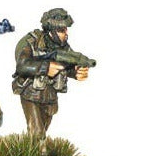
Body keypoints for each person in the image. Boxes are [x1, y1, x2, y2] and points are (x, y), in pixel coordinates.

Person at [11, 8, 90, 139]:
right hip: (31, 92)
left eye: (66, 29)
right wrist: (46, 67)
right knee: (37, 133)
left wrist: (76, 72)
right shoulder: (31, 42)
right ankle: (38, 151)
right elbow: (22, 65)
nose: (66, 33)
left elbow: (67, 65)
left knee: (44, 128)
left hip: (50, 95)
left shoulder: (63, 46)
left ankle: (32, 149)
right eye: (61, 30)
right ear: (51, 31)